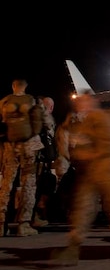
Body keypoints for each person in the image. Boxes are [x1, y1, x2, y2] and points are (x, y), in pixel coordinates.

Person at [50, 91, 110, 264]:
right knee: (83, 210)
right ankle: (73, 248)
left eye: (83, 102)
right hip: (92, 172)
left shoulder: (104, 118)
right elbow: (78, 144)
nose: (79, 105)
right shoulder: (84, 121)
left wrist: (89, 153)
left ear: (92, 102)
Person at [0, 78, 44, 237]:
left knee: (6, 184)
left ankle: (1, 222)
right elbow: (40, 121)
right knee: (29, 184)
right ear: (26, 86)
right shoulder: (31, 100)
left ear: (13, 86)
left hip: (10, 146)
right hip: (29, 147)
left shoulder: (4, 102)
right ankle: (24, 224)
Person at [32, 95, 58, 228]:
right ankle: (33, 217)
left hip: (43, 160)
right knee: (35, 189)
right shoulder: (42, 120)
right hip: (38, 160)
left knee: (46, 184)